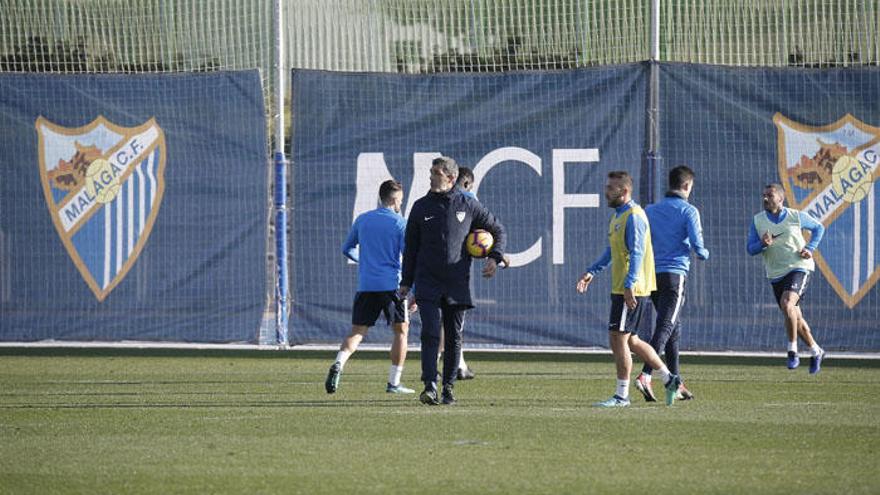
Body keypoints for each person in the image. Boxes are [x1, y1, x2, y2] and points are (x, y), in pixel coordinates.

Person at [400, 156, 507, 405]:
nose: (430, 176)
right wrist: (406, 282)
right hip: (427, 281)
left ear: (450, 178)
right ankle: (429, 385)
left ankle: (448, 388)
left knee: (454, 336)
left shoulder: (467, 205)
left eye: (435, 173)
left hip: (457, 282)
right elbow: (411, 248)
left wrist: (495, 257)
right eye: (431, 172)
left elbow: (497, 230)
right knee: (429, 332)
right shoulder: (420, 207)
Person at [576, 170, 681, 407]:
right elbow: (611, 252)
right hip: (622, 287)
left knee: (618, 339)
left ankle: (622, 395)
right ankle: (669, 378)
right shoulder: (617, 216)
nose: (606, 191)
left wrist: (630, 284)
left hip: (631, 289)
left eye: (611, 188)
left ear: (624, 192)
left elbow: (637, 253)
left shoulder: (634, 216)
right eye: (606, 186)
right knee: (631, 340)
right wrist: (592, 271)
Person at [325, 179, 415, 395]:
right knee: (401, 332)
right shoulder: (400, 223)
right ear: (394, 200)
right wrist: (414, 289)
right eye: (400, 201)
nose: (400, 204)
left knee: (357, 332)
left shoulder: (363, 220)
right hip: (392, 285)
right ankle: (394, 383)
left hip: (366, 285)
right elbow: (410, 258)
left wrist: (364, 261)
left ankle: (339, 363)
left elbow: (347, 248)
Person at [634, 166, 709, 402]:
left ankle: (676, 381)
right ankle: (646, 374)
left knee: (673, 330)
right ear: (687, 186)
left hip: (652, 275)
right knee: (666, 326)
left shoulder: (650, 210)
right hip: (675, 275)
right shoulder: (689, 211)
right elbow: (698, 248)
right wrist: (704, 252)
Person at [747, 183, 826, 373]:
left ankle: (792, 351)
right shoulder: (758, 221)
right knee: (795, 318)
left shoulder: (795, 216)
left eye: (770, 195)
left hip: (799, 267)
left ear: (781, 199)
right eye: (764, 195)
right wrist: (762, 244)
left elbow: (818, 228)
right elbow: (750, 249)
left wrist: (810, 248)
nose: (765, 198)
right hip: (775, 274)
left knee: (788, 304)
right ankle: (816, 350)